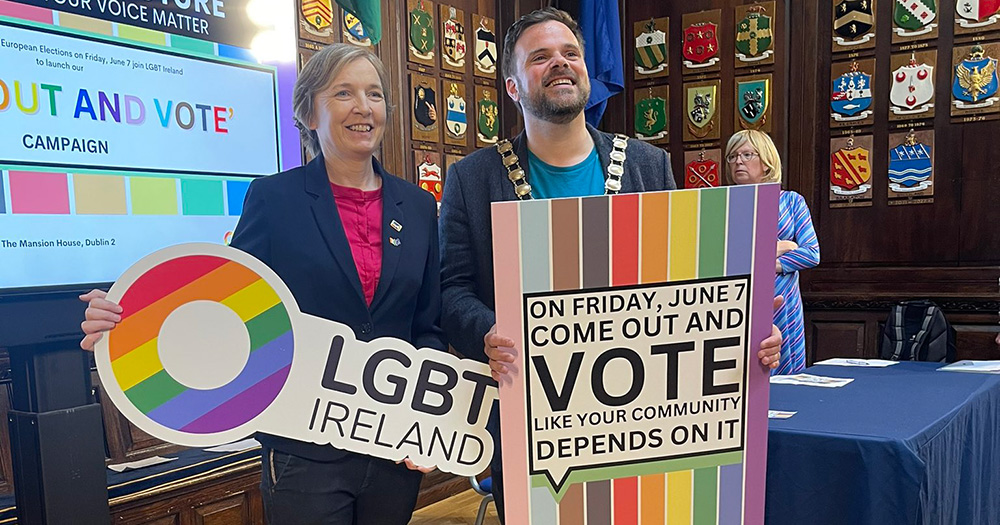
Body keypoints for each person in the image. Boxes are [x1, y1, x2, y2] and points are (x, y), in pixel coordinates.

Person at [438, 8, 783, 521]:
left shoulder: (647, 164)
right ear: (512, 86)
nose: (560, 64)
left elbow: (688, 281)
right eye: (540, 57)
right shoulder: (473, 178)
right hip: (535, 426)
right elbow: (451, 290)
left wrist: (748, 333)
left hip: (643, 424)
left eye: (570, 53)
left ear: (586, 72)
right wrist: (488, 331)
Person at [80, 43, 443, 525]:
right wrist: (125, 314)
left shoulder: (417, 206)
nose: (363, 107)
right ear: (309, 112)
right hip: (302, 448)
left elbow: (428, 326)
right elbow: (225, 309)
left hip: (393, 447)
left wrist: (428, 424)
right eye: (344, 93)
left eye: (374, 94)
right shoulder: (274, 199)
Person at [726, 130, 820, 375]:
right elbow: (726, 257)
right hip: (739, 300)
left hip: (784, 303)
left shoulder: (791, 202)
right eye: (732, 156)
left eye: (747, 154)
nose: (738, 161)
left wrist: (761, 260)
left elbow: (811, 253)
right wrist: (779, 248)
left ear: (766, 161)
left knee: (788, 376)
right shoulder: (724, 205)